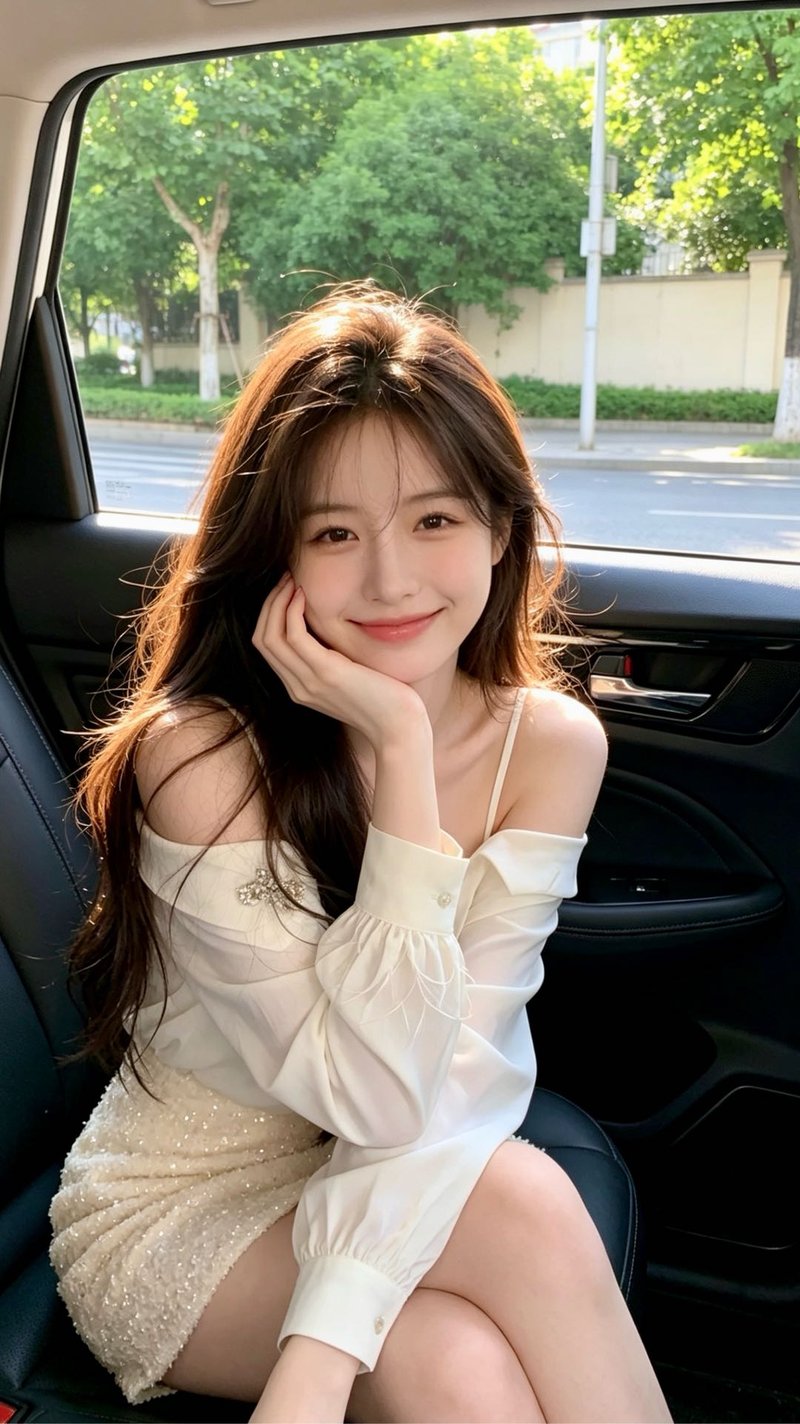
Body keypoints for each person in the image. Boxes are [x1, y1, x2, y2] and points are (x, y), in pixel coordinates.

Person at [50, 281, 671, 1424]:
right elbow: (374, 1093)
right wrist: (399, 749)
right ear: (272, 556)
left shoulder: (546, 744)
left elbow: (457, 1078)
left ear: (498, 529)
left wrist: (319, 1355)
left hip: (401, 1176)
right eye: (334, 532)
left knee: (458, 1364)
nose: (389, 579)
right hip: (184, 1207)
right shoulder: (203, 755)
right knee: (523, 1202)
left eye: (434, 519)